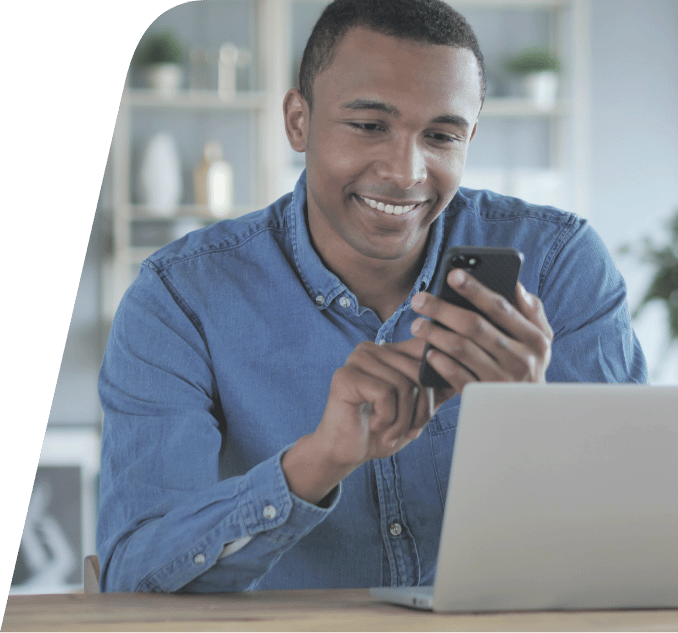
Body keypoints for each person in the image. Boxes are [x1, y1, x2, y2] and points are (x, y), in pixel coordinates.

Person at [97, 0, 646, 593]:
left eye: (440, 135)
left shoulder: (560, 264)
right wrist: (318, 461)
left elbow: (643, 536)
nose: (408, 171)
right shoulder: (180, 298)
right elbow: (134, 577)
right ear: (298, 121)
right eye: (368, 126)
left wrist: (534, 427)